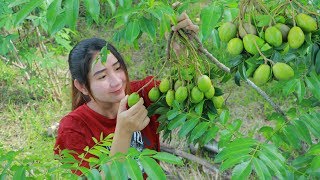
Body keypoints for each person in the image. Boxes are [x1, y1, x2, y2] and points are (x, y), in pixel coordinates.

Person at [54, 12, 198, 176]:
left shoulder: (143, 94)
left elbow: (188, 96)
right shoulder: (73, 129)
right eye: (102, 76)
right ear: (82, 86)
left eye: (117, 68)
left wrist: (183, 51)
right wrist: (123, 131)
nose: (116, 82)